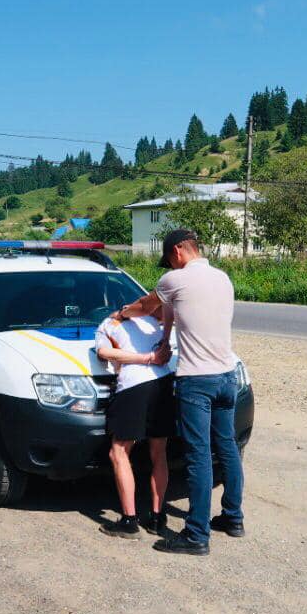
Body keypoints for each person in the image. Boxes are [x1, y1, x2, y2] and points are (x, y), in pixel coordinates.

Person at [116, 229, 243, 556]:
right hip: (228, 375)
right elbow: (182, 312)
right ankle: (233, 517)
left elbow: (147, 306)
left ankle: (197, 535)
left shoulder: (175, 279)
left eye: (168, 259)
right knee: (226, 446)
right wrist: (168, 331)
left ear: (177, 252)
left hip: (196, 381)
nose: (168, 265)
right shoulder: (223, 278)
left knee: (198, 456)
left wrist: (122, 313)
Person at [95, 304, 174, 539]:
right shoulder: (151, 320)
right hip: (163, 381)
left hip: (133, 387)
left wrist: (144, 358)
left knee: (118, 451)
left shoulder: (106, 325)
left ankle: (129, 520)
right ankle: (157, 518)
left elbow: (104, 353)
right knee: (159, 452)